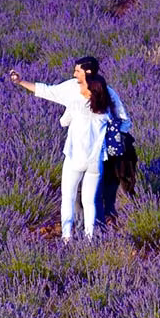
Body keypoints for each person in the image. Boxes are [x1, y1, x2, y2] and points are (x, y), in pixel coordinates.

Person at [8, 63, 112, 241]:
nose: (78, 86)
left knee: (68, 198)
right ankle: (89, 239)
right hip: (95, 161)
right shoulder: (105, 109)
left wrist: (20, 82)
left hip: (75, 158)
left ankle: (66, 237)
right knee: (90, 202)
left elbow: (63, 121)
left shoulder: (76, 105)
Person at [68, 56, 132, 227]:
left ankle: (93, 229)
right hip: (88, 150)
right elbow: (125, 122)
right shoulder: (78, 91)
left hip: (98, 152)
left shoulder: (104, 91)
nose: (74, 75)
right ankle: (90, 229)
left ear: (88, 72)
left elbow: (124, 120)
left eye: (77, 71)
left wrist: (110, 136)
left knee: (92, 191)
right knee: (87, 192)